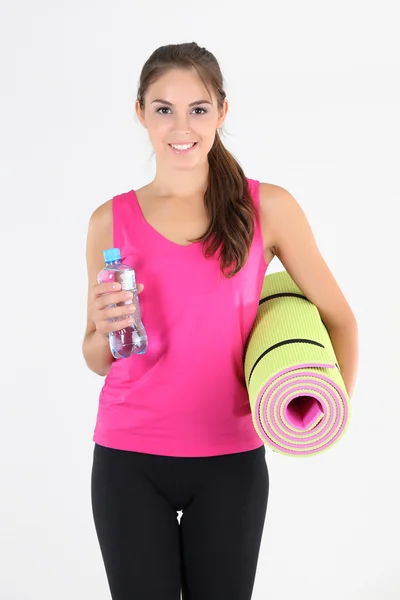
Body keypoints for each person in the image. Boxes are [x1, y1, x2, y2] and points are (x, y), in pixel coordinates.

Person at [82, 42, 358, 600]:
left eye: (198, 109)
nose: (181, 126)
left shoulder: (268, 208)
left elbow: (341, 321)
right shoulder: (110, 220)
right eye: (163, 109)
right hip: (127, 459)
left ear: (222, 112)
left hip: (230, 462)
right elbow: (96, 356)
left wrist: (325, 417)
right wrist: (101, 328)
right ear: (140, 113)